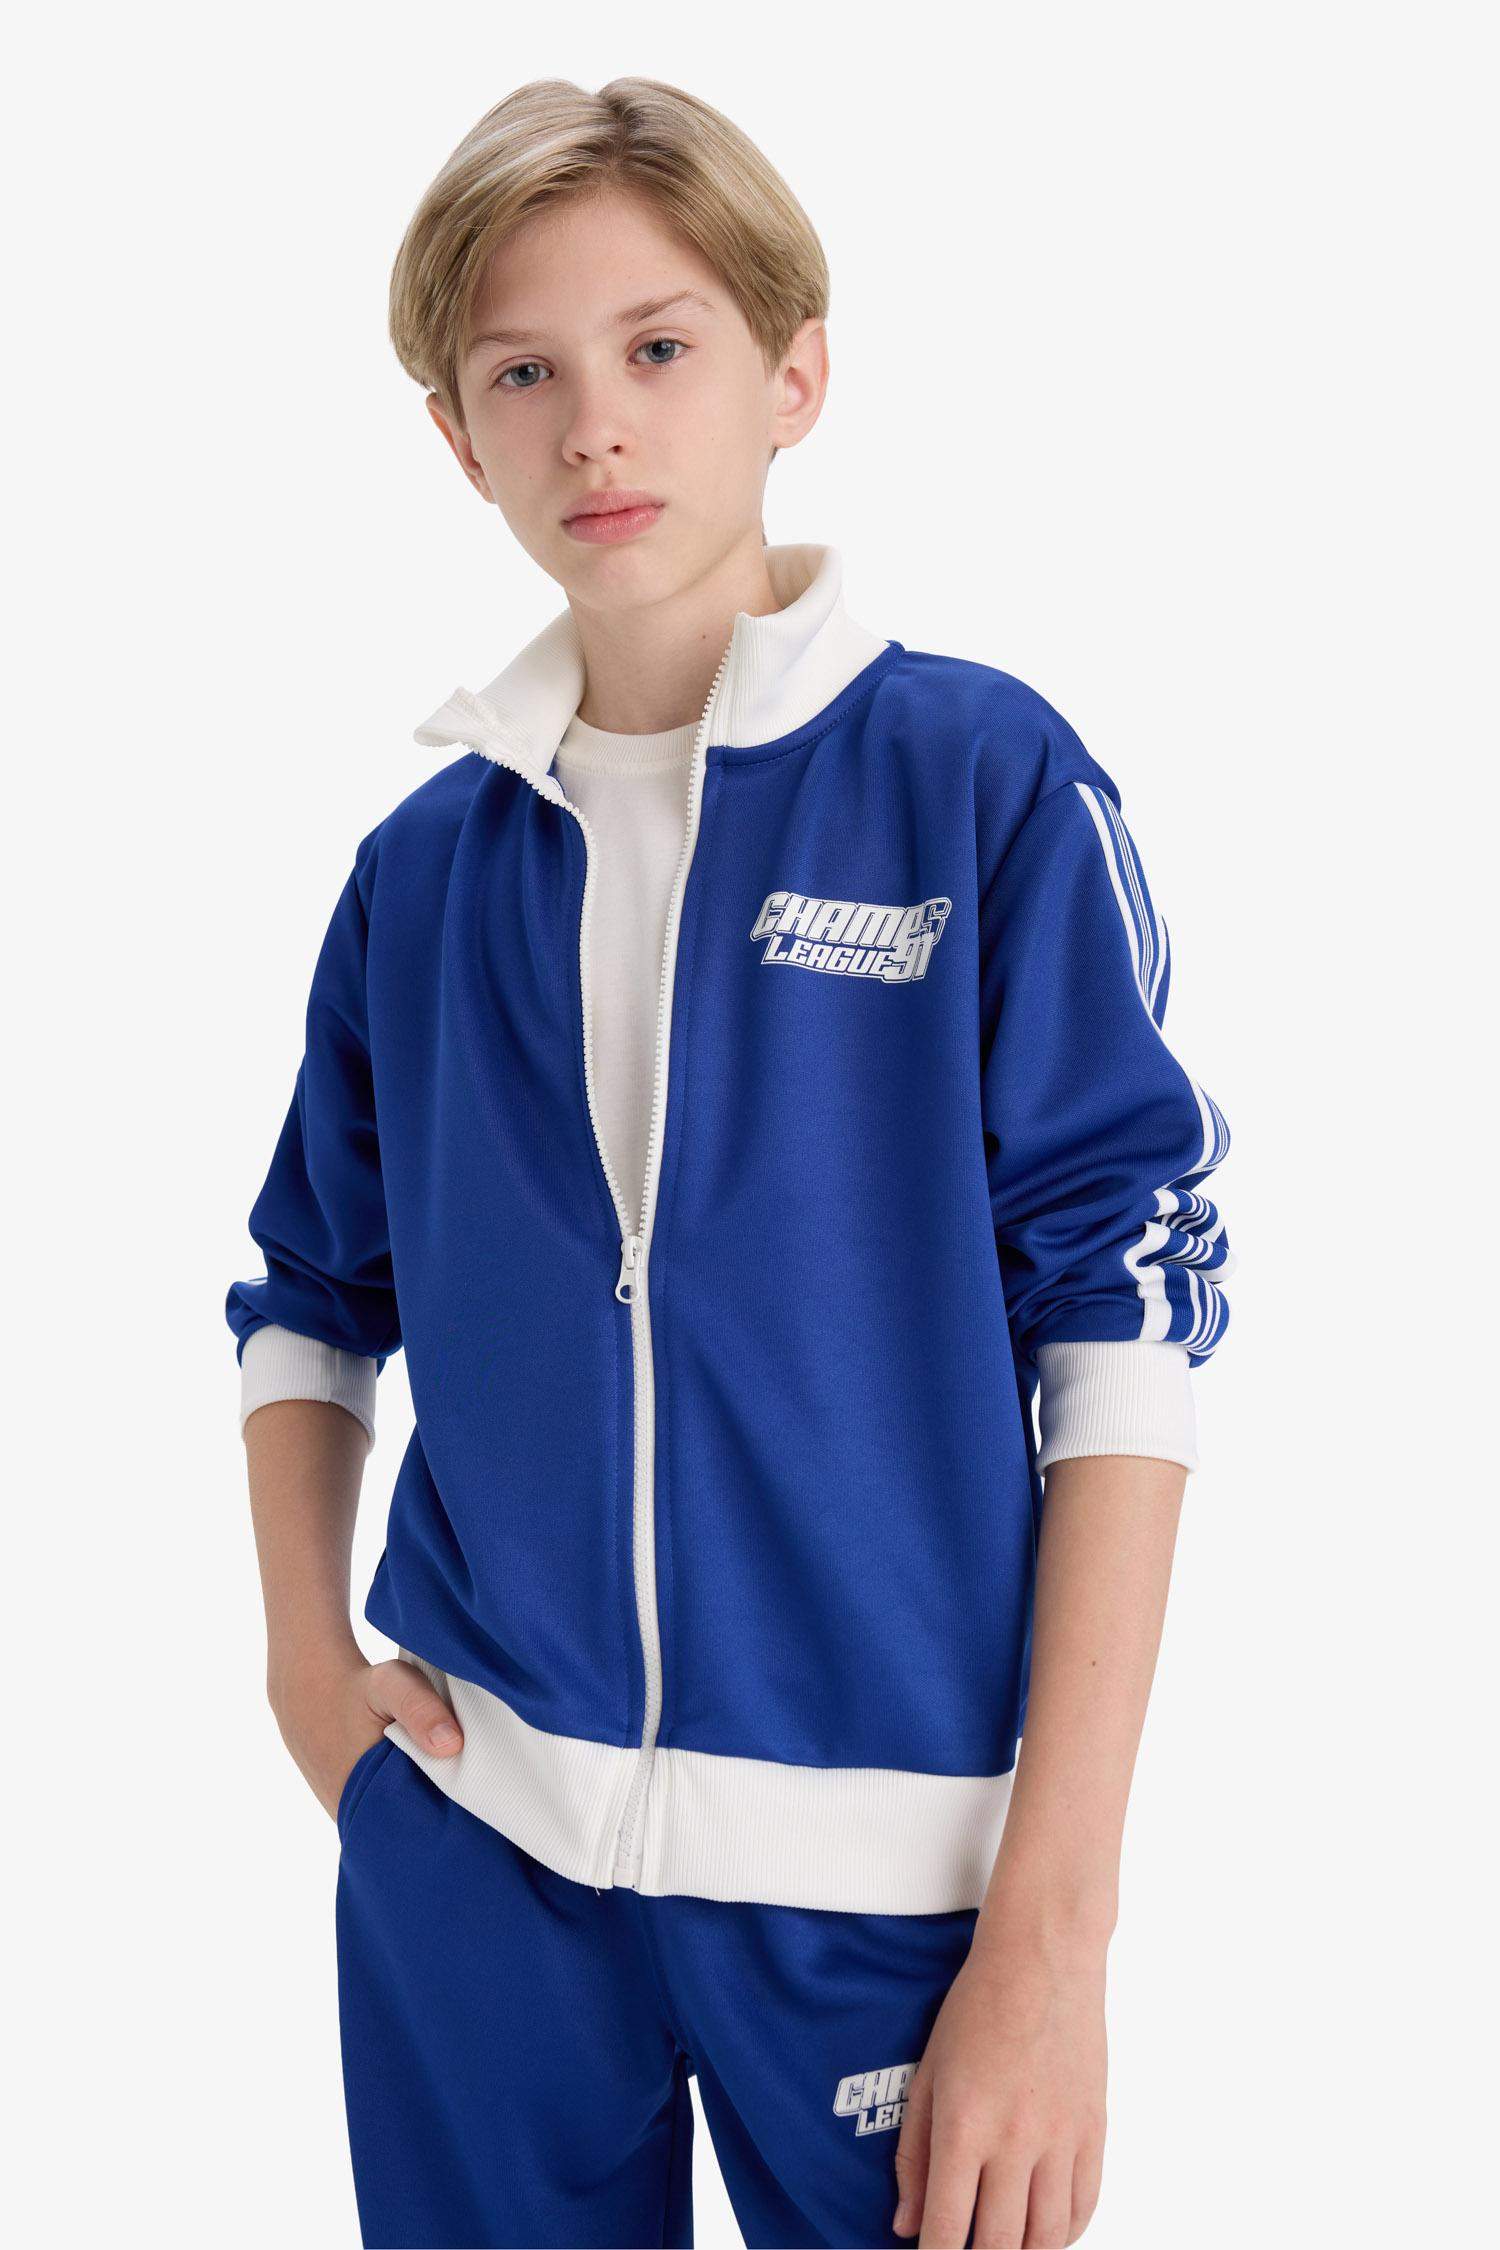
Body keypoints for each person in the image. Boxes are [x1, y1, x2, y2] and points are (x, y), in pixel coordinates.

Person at [227, 74, 1233, 2250]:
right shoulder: (423, 871)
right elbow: (309, 1298)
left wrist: (1053, 1932)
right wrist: (308, 1670)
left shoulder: (983, 783)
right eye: (524, 373)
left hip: (892, 1896)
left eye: (660, 347)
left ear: (795, 376)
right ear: (458, 437)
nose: (597, 425)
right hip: (479, 1849)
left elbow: (1128, 1326)